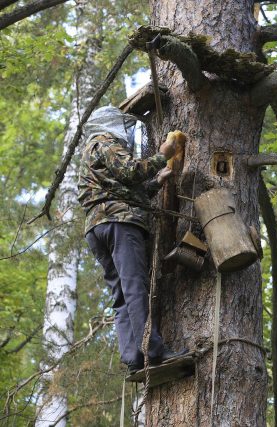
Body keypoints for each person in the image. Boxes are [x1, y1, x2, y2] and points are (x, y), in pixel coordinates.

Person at [78, 106, 187, 374]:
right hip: (119, 224)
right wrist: (163, 156)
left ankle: (133, 357)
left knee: (122, 295)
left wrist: (156, 183)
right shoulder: (105, 142)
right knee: (135, 287)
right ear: (111, 123)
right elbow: (131, 172)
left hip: (98, 228)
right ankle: (154, 351)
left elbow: (123, 189)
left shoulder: (92, 149)